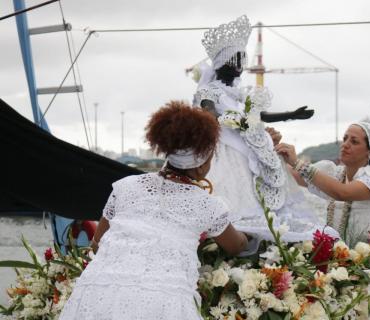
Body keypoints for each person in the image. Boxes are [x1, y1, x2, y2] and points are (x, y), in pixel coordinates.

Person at [59, 101, 247, 320]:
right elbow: (237, 245)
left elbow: (97, 244)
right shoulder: (208, 204)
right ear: (201, 165)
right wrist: (249, 233)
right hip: (162, 304)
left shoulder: (126, 186)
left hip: (95, 294)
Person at [192, 15, 337, 247]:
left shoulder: (240, 95)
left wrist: (290, 114)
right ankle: (225, 241)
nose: (240, 66)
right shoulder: (210, 91)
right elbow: (207, 112)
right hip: (224, 151)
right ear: (222, 62)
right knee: (231, 200)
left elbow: (256, 116)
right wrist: (232, 120)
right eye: (236, 59)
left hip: (249, 148)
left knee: (264, 199)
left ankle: (265, 243)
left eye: (242, 59)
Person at [275, 114, 370, 250]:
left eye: (354, 141)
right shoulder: (335, 173)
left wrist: (298, 163)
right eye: (345, 139)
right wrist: (274, 149)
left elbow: (342, 192)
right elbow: (295, 174)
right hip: (350, 259)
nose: (345, 144)